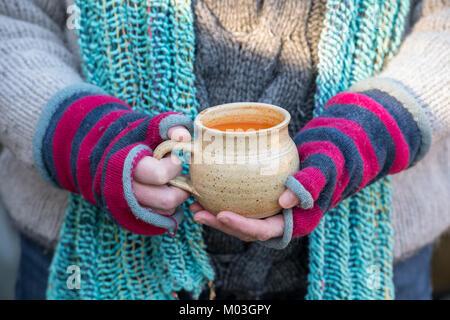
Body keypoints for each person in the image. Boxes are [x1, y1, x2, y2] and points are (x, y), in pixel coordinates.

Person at [0, 0, 448, 300]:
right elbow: (13, 23)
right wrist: (91, 142)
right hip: (85, 255)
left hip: (374, 260)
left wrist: (366, 137)